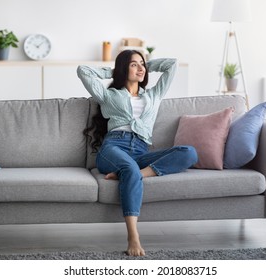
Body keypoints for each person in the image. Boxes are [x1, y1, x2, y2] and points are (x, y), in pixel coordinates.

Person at [77, 50, 198, 256]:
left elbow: (172, 64)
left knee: (189, 153)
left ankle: (132, 173)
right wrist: (116, 72)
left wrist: (144, 65)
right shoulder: (109, 95)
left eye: (142, 64)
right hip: (114, 147)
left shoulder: (153, 94)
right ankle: (133, 236)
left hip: (140, 151)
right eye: (134, 65)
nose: (141, 68)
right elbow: (83, 71)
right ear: (124, 68)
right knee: (129, 168)